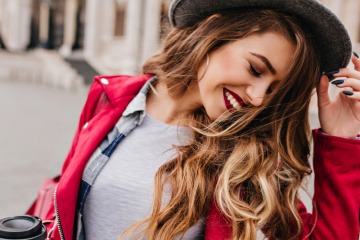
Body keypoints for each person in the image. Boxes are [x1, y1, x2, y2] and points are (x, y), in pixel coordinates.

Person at [27, 0, 360, 239]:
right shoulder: (110, 98)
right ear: (214, 32)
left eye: (274, 90)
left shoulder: (255, 158)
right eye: (255, 69)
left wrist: (342, 141)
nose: (258, 98)